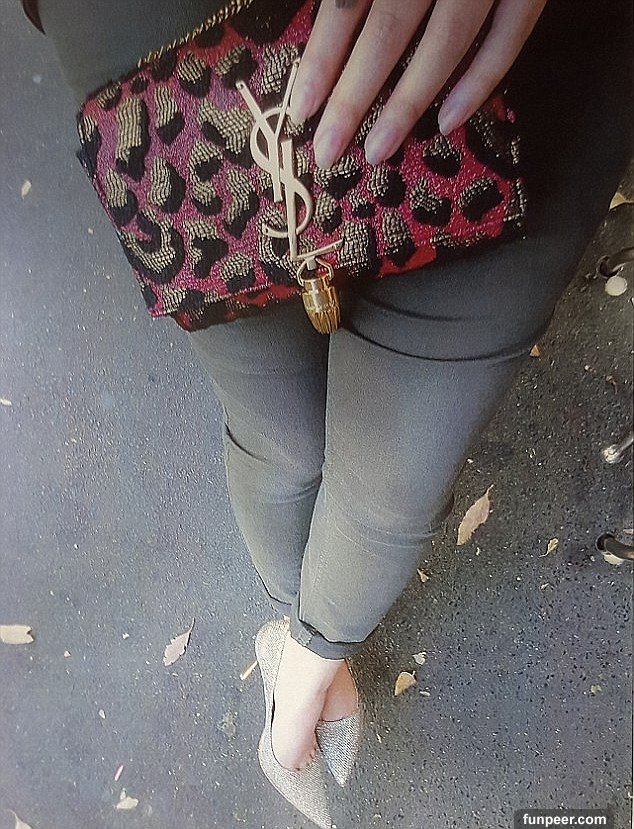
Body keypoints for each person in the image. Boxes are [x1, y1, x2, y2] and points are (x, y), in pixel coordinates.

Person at [24, 0, 632, 780]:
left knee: (393, 477)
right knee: (281, 432)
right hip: (179, 62)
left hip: (503, 62)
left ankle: (307, 661)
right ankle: (301, 628)